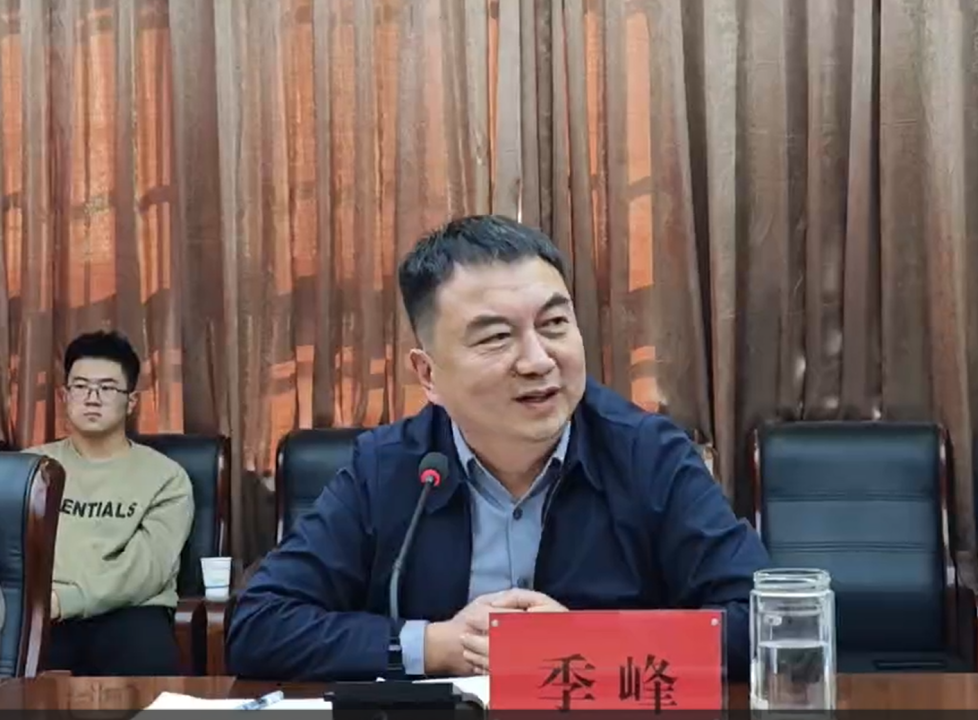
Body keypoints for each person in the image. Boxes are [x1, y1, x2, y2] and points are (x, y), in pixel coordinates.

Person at [226, 215, 770, 682]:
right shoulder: (388, 467)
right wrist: (436, 645)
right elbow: (259, 625)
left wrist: (590, 643)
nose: (538, 360)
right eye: (495, 337)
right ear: (429, 375)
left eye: (554, 324)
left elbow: (761, 619)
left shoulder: (647, 455)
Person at [26, 331, 194, 676]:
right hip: (38, 612)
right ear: (64, 396)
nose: (92, 398)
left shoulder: (166, 477)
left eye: (106, 388)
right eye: (81, 386)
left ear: (131, 402)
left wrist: (65, 600)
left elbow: (145, 571)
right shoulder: (27, 469)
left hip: (128, 614)